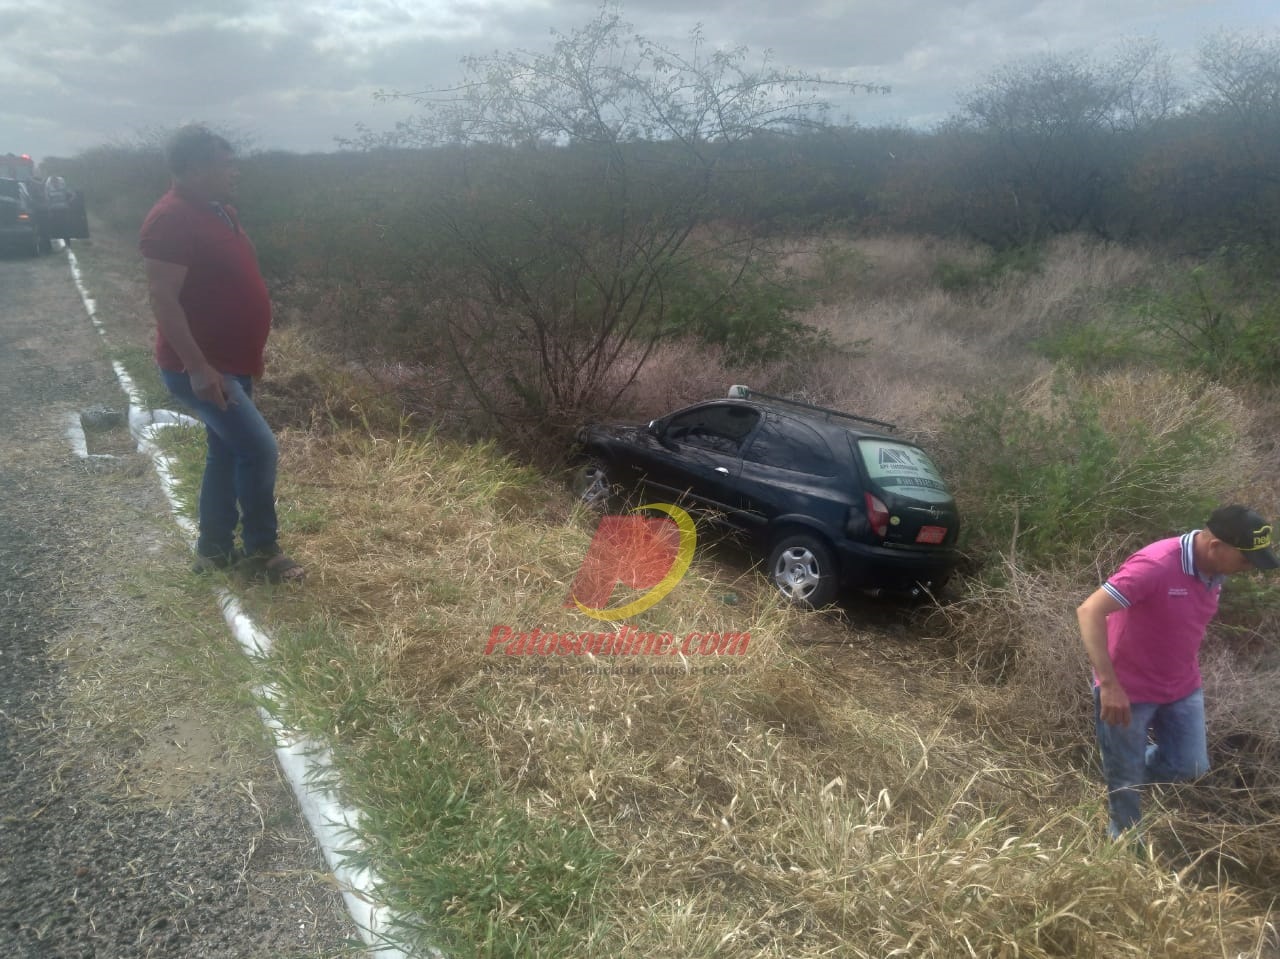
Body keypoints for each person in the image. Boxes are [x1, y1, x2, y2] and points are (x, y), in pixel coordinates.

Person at [140, 124, 304, 583]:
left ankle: (212, 550)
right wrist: (198, 366)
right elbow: (162, 299)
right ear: (192, 168)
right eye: (223, 162)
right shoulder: (169, 218)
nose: (234, 169)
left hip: (230, 361)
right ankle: (261, 552)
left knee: (228, 453)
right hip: (202, 366)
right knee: (259, 450)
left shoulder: (220, 211)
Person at [1077, 505, 1278, 839]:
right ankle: (1126, 844)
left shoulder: (1217, 569)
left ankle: (1120, 766)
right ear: (1216, 547)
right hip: (1129, 689)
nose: (1248, 569)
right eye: (1245, 560)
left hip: (1182, 685)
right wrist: (1110, 685)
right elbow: (1089, 610)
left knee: (1190, 765)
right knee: (1125, 785)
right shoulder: (1155, 566)